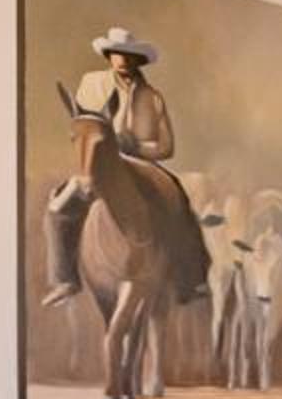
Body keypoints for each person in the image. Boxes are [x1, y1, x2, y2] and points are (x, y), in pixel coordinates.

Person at [41, 26, 182, 306]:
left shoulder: (152, 97)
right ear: (108, 55)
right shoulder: (91, 83)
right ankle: (65, 279)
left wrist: (135, 147)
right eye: (117, 53)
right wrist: (105, 145)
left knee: (177, 199)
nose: (123, 59)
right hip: (99, 164)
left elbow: (167, 147)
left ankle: (188, 275)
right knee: (57, 208)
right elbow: (83, 127)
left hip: (139, 165)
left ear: (139, 59)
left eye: (129, 54)